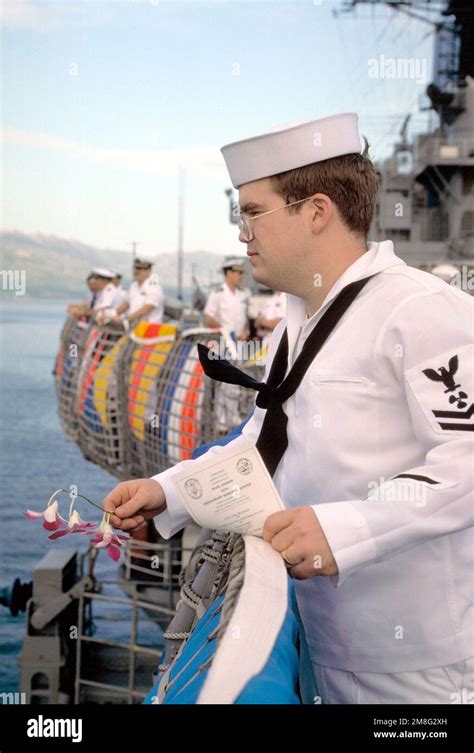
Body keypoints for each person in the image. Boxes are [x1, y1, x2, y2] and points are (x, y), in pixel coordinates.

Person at [101, 112, 473, 704]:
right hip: (329, 641)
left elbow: (469, 462)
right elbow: (263, 443)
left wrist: (344, 528)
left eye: (252, 213)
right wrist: (168, 492)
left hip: (417, 664)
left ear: (317, 211)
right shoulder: (299, 322)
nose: (241, 233)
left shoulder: (422, 310)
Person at [203, 258, 250, 341]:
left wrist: (246, 331)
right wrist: (225, 333)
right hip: (223, 341)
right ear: (229, 273)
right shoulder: (218, 293)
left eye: (242, 273)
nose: (241, 276)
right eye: (239, 273)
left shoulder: (242, 294)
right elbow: (208, 318)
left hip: (240, 343)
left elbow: (245, 319)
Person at [115, 258, 164, 326]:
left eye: (140, 269)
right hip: (134, 325)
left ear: (148, 271)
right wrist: (114, 314)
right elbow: (126, 304)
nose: (136, 271)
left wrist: (127, 319)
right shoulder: (134, 285)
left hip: (149, 328)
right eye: (136, 268)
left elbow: (147, 308)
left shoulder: (154, 286)